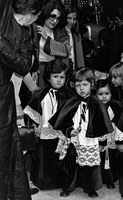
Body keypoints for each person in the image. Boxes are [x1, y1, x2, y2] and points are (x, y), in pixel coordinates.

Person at [0, 0, 44, 199]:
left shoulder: (25, 35)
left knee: (3, 148)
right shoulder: (2, 21)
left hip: (2, 96)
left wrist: (1, 46)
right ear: (33, 11)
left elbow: (24, 66)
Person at [49, 68, 113, 198]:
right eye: (78, 85)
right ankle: (67, 187)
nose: (81, 89)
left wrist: (103, 142)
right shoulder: (70, 102)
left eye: (85, 85)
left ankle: (89, 187)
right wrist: (69, 131)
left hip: (89, 139)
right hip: (74, 139)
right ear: (73, 86)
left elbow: (102, 125)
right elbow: (63, 121)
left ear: (92, 85)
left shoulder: (97, 104)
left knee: (88, 167)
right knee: (70, 164)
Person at [23, 59, 69, 190]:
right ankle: (44, 182)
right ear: (49, 78)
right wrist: (35, 125)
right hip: (45, 132)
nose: (59, 80)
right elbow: (32, 111)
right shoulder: (41, 93)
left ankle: (60, 182)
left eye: (62, 77)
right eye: (55, 77)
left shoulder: (68, 95)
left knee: (60, 158)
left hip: (61, 134)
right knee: (45, 158)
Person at [96, 79, 123, 189]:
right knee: (100, 157)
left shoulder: (116, 105)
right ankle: (100, 178)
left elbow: (120, 120)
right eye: (100, 94)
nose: (104, 97)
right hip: (99, 135)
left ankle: (110, 179)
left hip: (112, 135)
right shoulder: (94, 105)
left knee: (112, 157)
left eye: (107, 94)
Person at [36, 0, 70, 88]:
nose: (55, 21)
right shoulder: (33, 28)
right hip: (36, 71)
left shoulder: (60, 32)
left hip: (54, 72)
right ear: (45, 14)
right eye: (52, 16)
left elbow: (65, 50)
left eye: (58, 18)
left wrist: (47, 38)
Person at [64, 5, 85, 70]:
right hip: (62, 70)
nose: (72, 22)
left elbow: (79, 56)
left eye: (74, 19)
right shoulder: (58, 33)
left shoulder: (76, 33)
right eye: (69, 18)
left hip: (74, 68)